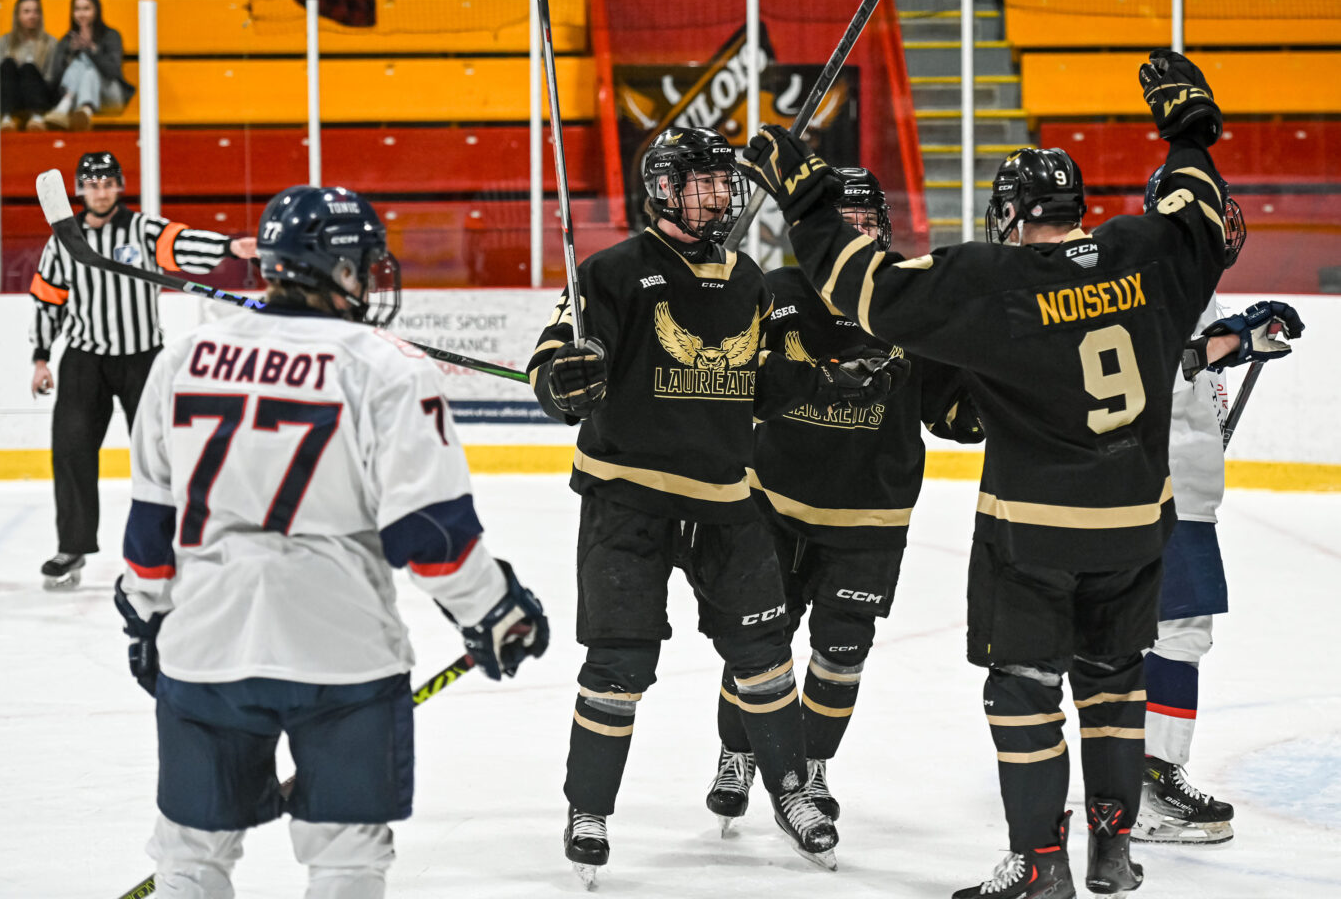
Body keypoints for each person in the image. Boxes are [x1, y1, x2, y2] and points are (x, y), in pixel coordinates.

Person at [741, 49, 1233, 898]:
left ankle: (1040, 868)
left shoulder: (992, 281)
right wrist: (1188, 129)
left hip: (1035, 533)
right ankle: (1112, 853)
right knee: (1113, 684)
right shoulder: (1147, 252)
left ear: (1008, 216)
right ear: (1079, 209)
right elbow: (1198, 206)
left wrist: (808, 191)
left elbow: (863, 289)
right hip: (1136, 525)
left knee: (1025, 692)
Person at [115, 184, 550, 897]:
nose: (369, 277)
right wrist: (494, 611)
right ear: (338, 268)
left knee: (190, 858)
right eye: (361, 264)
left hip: (206, 646)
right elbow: (433, 536)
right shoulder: (388, 368)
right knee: (346, 861)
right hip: (342, 655)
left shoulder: (182, 359)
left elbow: (150, 534)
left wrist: (145, 617)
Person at [526, 127, 893, 884]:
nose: (718, 196)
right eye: (700, 183)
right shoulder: (613, 273)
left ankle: (791, 792)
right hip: (627, 503)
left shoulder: (749, 279)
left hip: (727, 501)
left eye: (724, 183)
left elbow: (761, 379)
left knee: (764, 658)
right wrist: (559, 379)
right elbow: (554, 352)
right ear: (661, 189)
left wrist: (830, 384)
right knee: (620, 663)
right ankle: (588, 807)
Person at [705, 168, 985, 832]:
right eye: (844, 222)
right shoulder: (774, 295)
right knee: (756, 643)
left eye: (868, 222)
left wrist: (990, 407)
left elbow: (947, 410)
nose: (858, 234)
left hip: (871, 517)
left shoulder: (909, 302)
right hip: (774, 503)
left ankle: (808, 770)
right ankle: (735, 751)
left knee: (842, 651)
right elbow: (728, 382)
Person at [1132, 183, 1304, 845]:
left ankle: (1139, 777)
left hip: (1184, 498)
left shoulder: (1200, 296)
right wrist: (1232, 344)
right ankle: (1146, 786)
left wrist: (1246, 339)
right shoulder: (1151, 288)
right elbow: (1150, 369)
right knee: (1172, 635)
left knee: (1174, 633)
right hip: (1157, 494)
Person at [31, 151, 257, 590]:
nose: (99, 190)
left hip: (142, 359)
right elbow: (48, 300)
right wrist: (41, 358)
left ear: (119, 186)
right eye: (92, 183)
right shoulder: (63, 239)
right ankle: (72, 546)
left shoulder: (142, 229)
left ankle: (173, 543)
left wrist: (228, 247)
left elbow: (183, 242)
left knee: (163, 455)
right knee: (71, 451)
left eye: (107, 182)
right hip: (83, 359)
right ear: (79, 189)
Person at [43, 0, 135, 131]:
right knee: (80, 63)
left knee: (89, 67)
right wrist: (70, 54)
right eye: (77, 9)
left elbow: (114, 72)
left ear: (96, 10)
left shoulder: (111, 35)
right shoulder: (67, 40)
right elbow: (55, 78)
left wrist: (92, 50)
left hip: (110, 98)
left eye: (86, 9)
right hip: (77, 99)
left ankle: (65, 105)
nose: (82, 14)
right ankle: (85, 110)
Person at [0, 0, 57, 131]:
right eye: (26, 12)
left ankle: (36, 116)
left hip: (40, 97)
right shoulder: (4, 41)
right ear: (17, 16)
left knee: (28, 68)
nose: (32, 16)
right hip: (12, 95)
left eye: (36, 11)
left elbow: (51, 79)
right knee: (7, 64)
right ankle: (6, 117)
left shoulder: (50, 42)